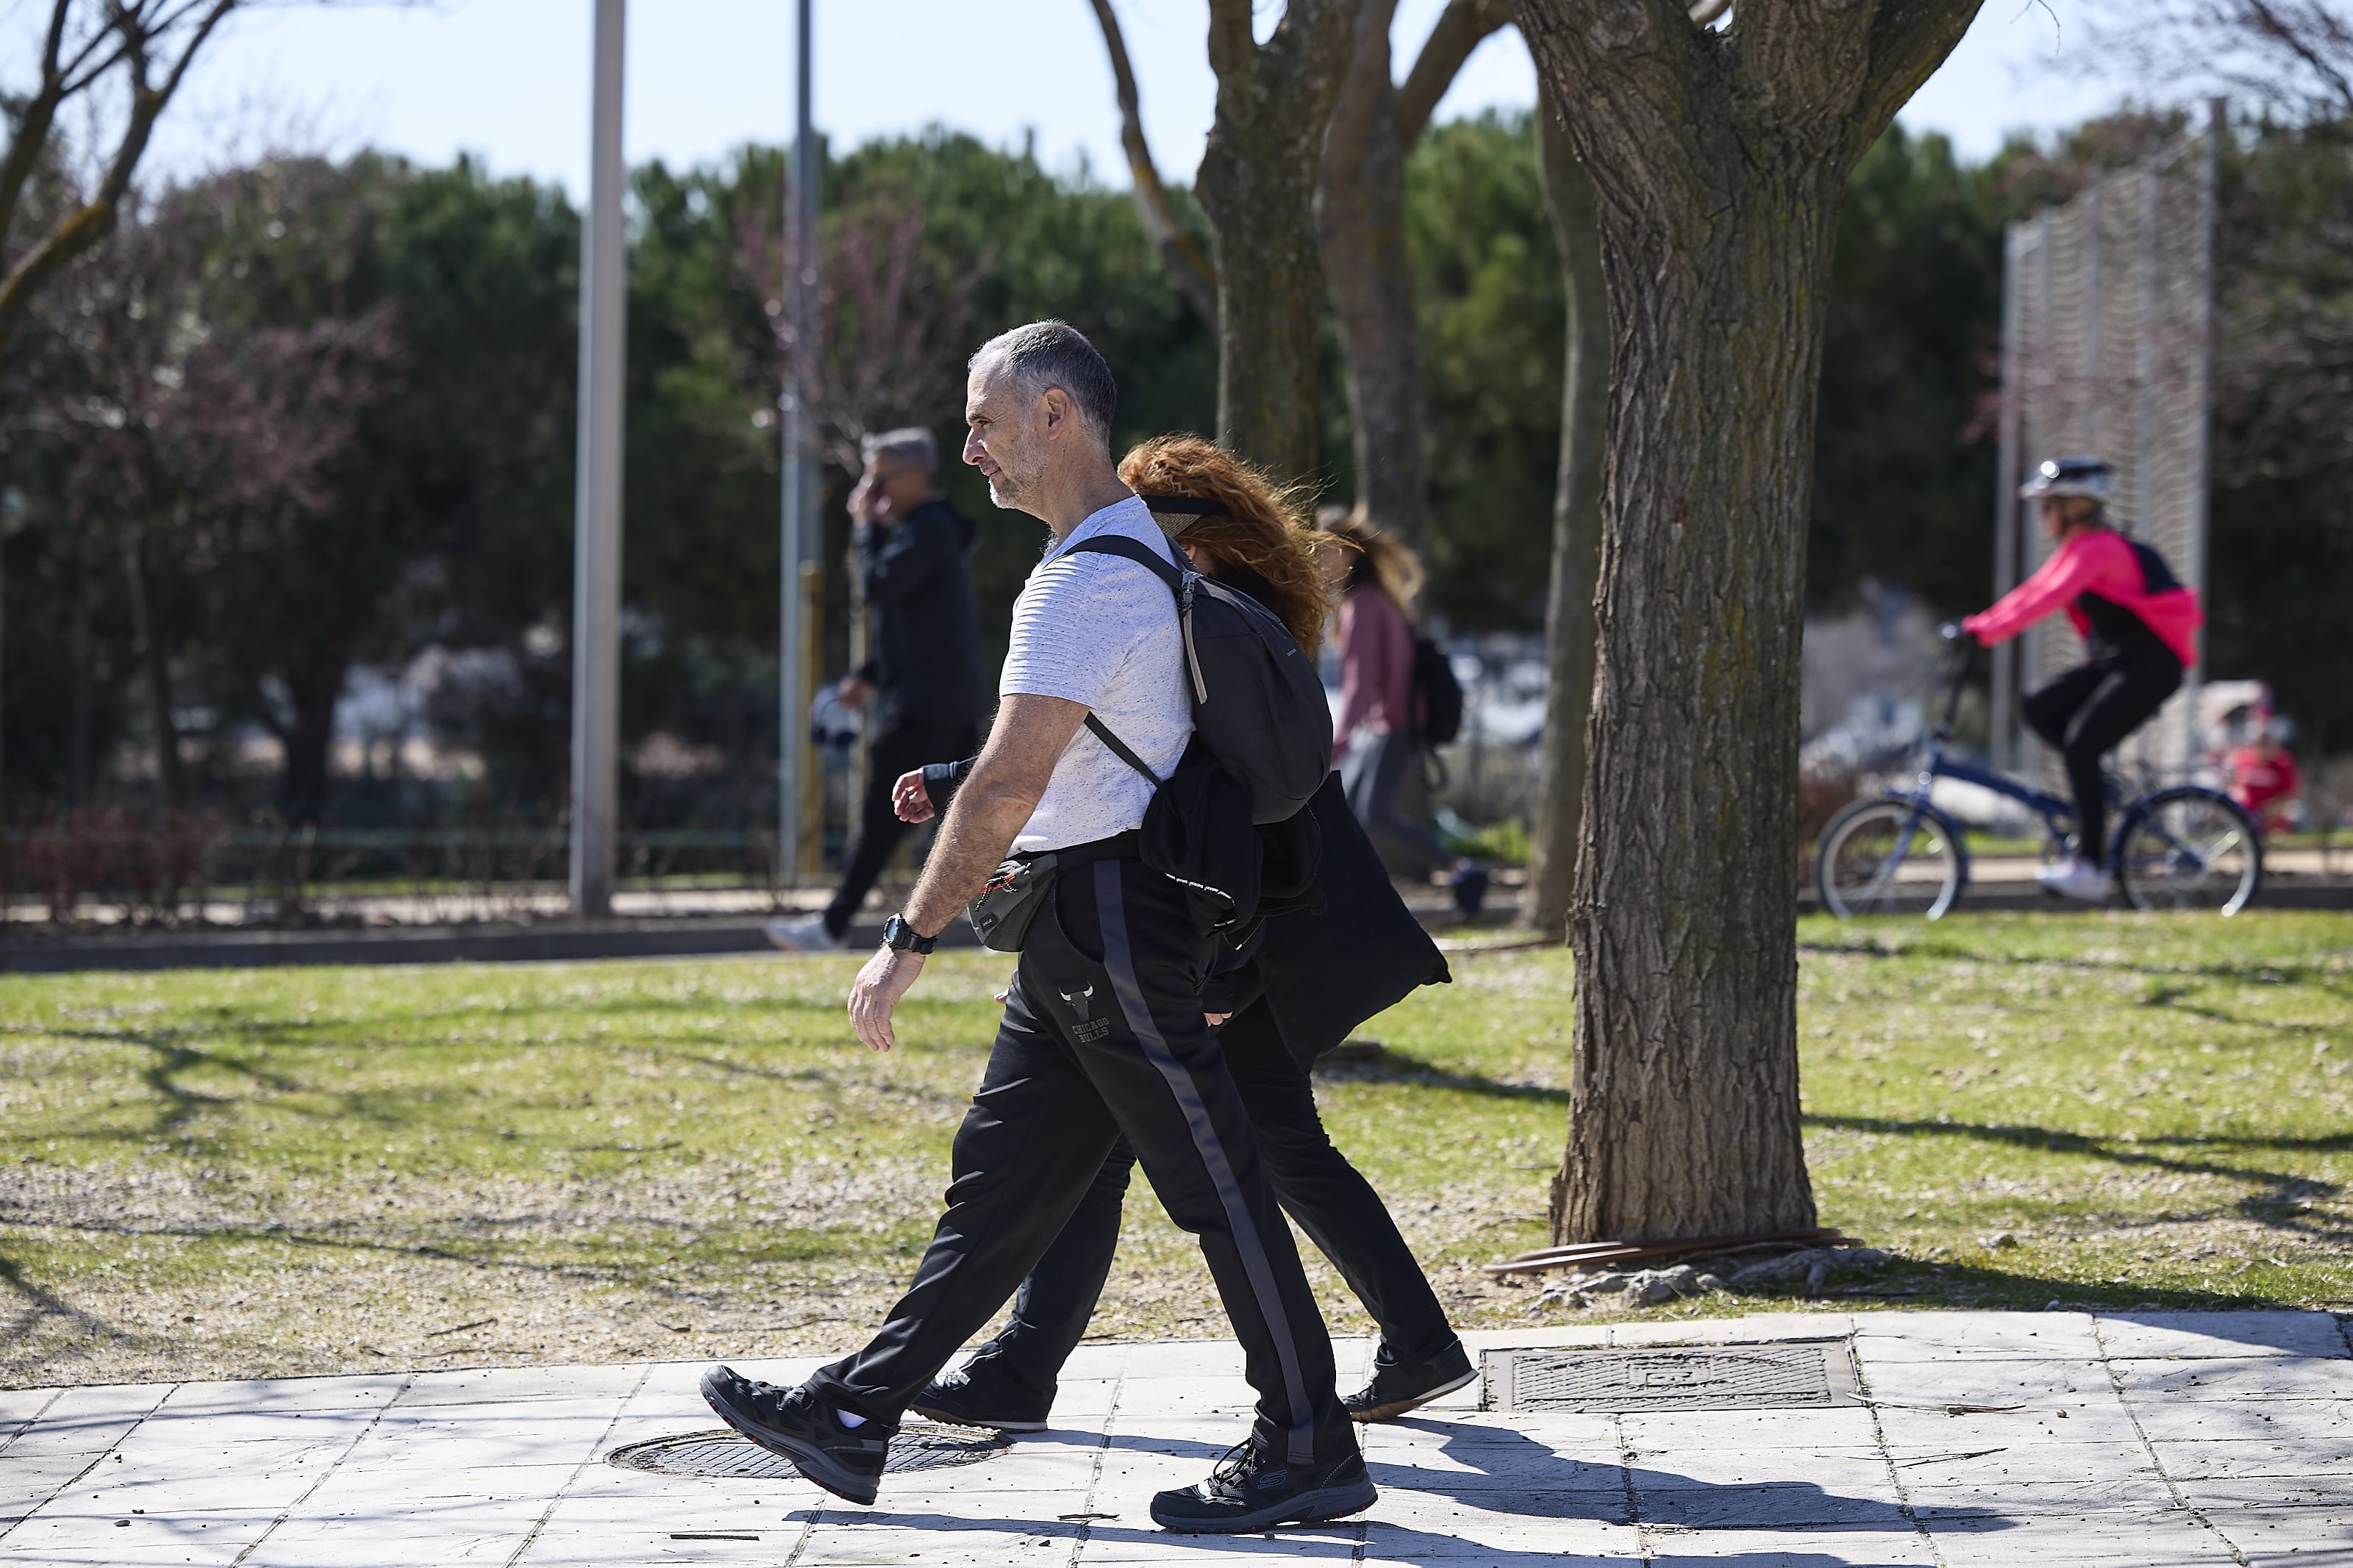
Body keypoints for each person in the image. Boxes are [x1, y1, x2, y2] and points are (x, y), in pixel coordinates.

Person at [700, 323, 1374, 1535]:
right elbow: (1054, 766)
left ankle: (1309, 1441)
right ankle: (857, 1412)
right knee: (999, 1187)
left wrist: (905, 939)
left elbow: (1010, 784)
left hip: (1115, 920)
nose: (972, 450)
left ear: (1057, 415)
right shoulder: (1117, 562)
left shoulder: (1089, 578)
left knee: (1217, 1182)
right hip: (1080, 927)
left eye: (988, 423)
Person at [896, 434, 1469, 1436]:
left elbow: (1174, 786)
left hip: (1217, 934)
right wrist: (957, 785)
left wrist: (1192, 962)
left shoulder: (1205, 619)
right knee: (1205, 1145)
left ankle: (1317, 1396)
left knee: (1244, 1152)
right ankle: (1026, 1367)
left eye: (1147, 522)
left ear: (1188, 536)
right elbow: (1109, 753)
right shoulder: (1228, 614)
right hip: (1217, 929)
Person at [767, 428, 983, 953]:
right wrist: (868, 675)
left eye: (878, 477)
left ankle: (832, 927)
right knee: (969, 817)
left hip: (926, 704)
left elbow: (876, 587)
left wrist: (864, 528)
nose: (868, 489)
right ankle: (996, 922)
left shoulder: (926, 531)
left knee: (884, 817)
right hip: (944, 697)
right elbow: (916, 629)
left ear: (913, 476)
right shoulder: (931, 530)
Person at [1960, 456, 2204, 901]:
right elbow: (2032, 591)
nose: (2041, 515)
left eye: (2047, 505)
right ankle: (2095, 785)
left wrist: (1985, 632)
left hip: (2150, 667)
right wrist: (1978, 625)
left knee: (2080, 746)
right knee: (2037, 703)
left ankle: (2092, 867)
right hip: (2116, 664)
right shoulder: (2076, 550)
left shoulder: (2099, 549)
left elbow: (2048, 598)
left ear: (2076, 507)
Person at [1319, 508, 1449, 878]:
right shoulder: (1378, 598)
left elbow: (1360, 682)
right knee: (1357, 813)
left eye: (1327, 550)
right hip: (1388, 725)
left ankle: (1458, 869)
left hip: (1392, 725)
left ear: (1349, 550)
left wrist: (1338, 740)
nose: (1321, 560)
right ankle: (1356, 888)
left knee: (1372, 814)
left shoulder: (1363, 605)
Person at [2225, 723, 2300, 834]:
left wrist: (2275, 808)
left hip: (2273, 814)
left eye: (2268, 744)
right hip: (2246, 811)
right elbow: (2229, 782)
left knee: (2292, 816)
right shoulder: (2241, 760)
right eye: (2261, 744)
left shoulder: (2282, 763)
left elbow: (2289, 793)